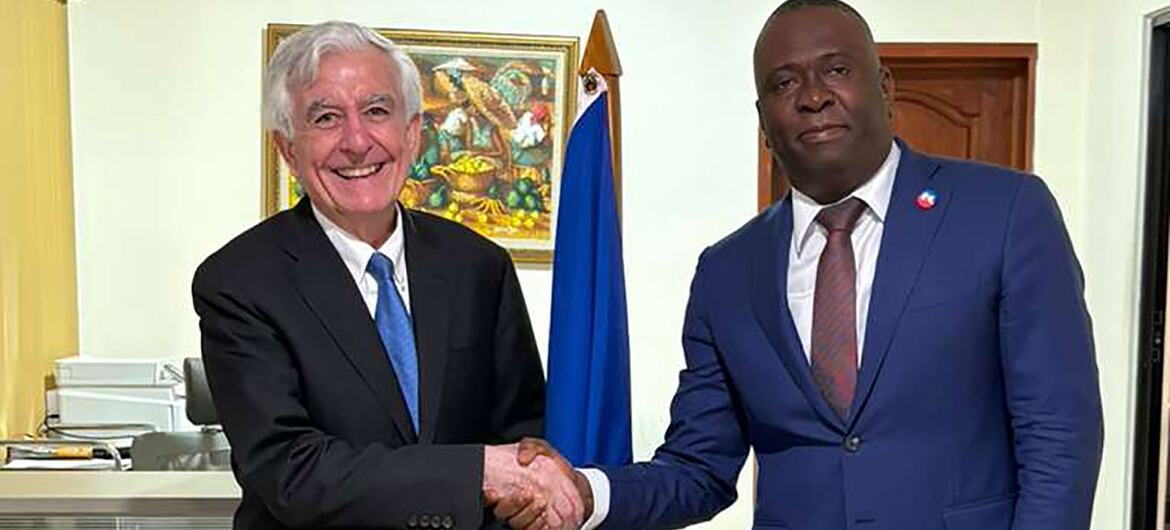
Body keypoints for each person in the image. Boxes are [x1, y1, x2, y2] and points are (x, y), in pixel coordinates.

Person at [511, 1, 1104, 529]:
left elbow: (1059, 435)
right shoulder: (727, 273)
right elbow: (699, 468)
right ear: (764, 118)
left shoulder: (1004, 213)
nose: (813, 95)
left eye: (837, 70)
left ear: (886, 86)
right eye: (783, 82)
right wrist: (590, 492)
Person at [192, 21, 582, 530]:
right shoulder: (238, 282)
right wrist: (477, 474)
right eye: (326, 117)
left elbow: (521, 438)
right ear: (288, 149)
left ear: (413, 132)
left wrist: (530, 489)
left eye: (377, 111)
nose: (357, 141)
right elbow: (290, 471)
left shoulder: (479, 266)